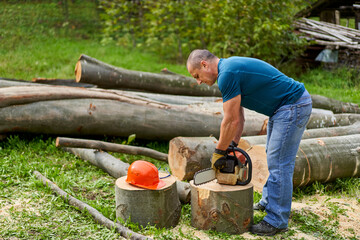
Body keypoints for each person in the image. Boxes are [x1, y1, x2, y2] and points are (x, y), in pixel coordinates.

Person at [186, 49, 312, 236]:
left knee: (280, 163)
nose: (198, 81)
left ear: (204, 64)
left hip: (292, 105)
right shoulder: (228, 70)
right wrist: (232, 145)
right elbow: (239, 118)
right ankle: (269, 202)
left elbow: (230, 121)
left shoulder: (227, 74)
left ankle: (277, 221)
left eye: (197, 75)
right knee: (274, 157)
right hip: (282, 108)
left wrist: (219, 151)